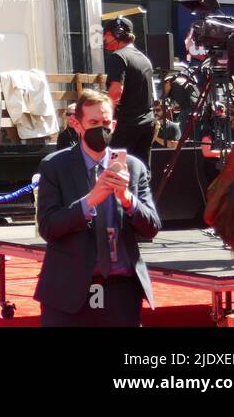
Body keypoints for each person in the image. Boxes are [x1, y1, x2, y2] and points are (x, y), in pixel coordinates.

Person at [34, 89, 160, 326]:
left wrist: (127, 198)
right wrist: (89, 201)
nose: (100, 129)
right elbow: (49, 228)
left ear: (113, 124)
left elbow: (152, 227)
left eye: (105, 123)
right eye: (93, 122)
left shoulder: (133, 168)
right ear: (77, 124)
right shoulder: (55, 166)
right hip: (68, 291)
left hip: (121, 292)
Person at [103, 17, 156, 167]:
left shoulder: (118, 56)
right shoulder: (145, 59)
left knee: (115, 169)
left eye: (106, 34)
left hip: (126, 125)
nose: (104, 39)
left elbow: (115, 92)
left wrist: (106, 119)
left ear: (117, 34)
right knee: (141, 170)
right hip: (147, 124)